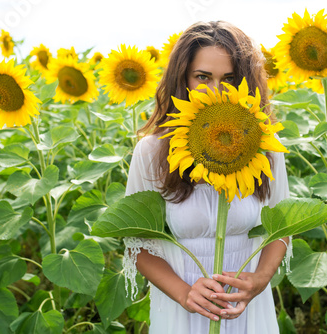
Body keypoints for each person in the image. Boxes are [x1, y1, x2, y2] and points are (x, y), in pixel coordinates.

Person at [122, 20, 291, 334]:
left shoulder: (263, 146)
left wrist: (259, 280)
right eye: (203, 77)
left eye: (229, 79)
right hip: (180, 308)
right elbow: (139, 244)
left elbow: (280, 228)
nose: (216, 91)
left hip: (247, 309)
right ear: (183, 79)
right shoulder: (152, 151)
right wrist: (185, 293)